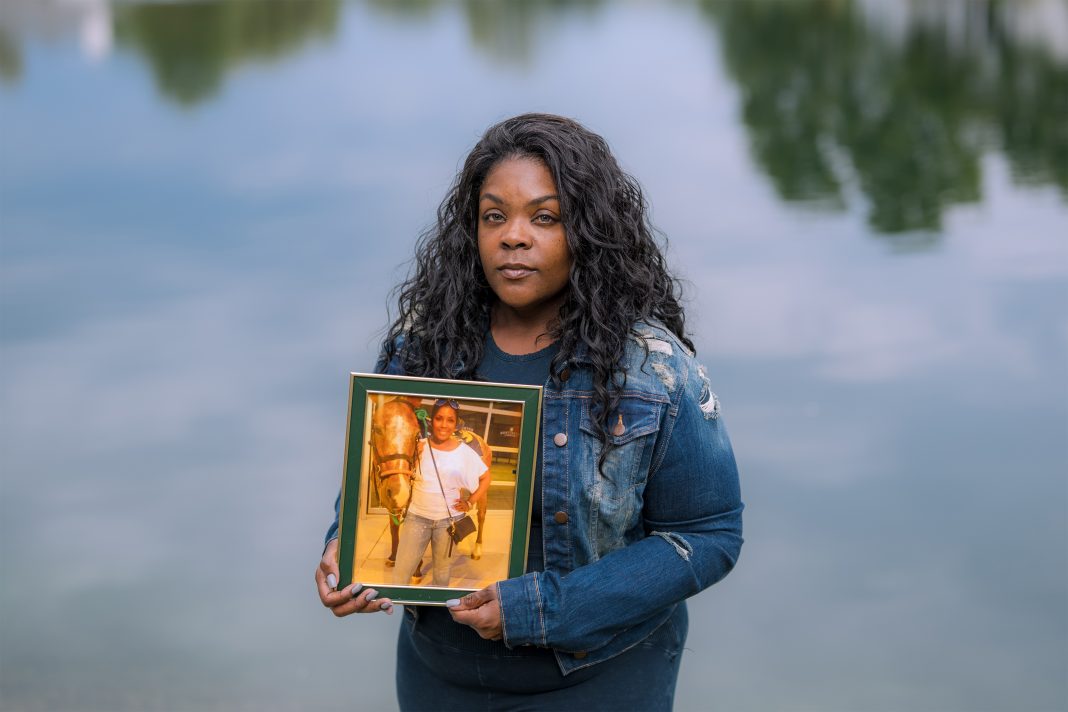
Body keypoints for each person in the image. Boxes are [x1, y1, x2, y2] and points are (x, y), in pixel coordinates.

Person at [315, 113, 743, 710]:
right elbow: (379, 471)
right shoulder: (422, 349)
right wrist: (346, 544)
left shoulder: (653, 369)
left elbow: (708, 535)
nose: (513, 236)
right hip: (440, 674)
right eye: (495, 216)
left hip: (600, 678)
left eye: (545, 217)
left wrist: (541, 608)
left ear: (590, 232)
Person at [392, 399, 490, 587]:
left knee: (442, 574)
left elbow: (486, 478)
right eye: (439, 418)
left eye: (450, 420)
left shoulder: (464, 452)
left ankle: (435, 613)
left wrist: (470, 502)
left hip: (447, 523)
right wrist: (412, 453)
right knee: (401, 572)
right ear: (431, 421)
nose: (444, 425)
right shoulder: (418, 446)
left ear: (456, 424)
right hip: (416, 518)